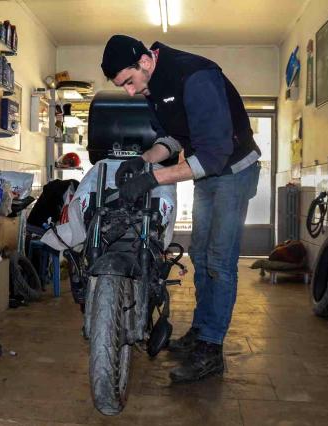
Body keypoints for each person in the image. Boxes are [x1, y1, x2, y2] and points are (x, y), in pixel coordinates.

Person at [101, 35, 261, 383]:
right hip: (208, 173)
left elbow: (214, 156)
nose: (130, 91)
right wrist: (144, 161)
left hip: (234, 171)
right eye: (123, 86)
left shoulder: (196, 77)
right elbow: (173, 138)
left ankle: (211, 349)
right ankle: (202, 330)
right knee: (200, 255)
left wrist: (152, 179)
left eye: (129, 81)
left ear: (145, 62)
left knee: (219, 261)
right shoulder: (152, 86)